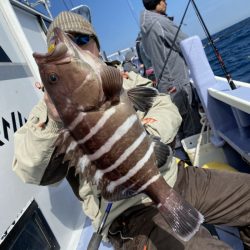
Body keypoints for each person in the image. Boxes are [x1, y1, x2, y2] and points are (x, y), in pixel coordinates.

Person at [12, 11, 250, 250]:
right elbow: (30, 170)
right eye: (62, 44)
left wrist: (146, 138)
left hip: (175, 176)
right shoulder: (48, 112)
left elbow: (164, 104)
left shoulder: (125, 79)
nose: (73, 46)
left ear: (97, 44)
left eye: (81, 39)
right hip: (130, 213)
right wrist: (55, 120)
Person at [140, 0, 202, 142]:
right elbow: (186, 43)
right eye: (163, 0)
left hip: (164, 84)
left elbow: (149, 55)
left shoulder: (144, 28)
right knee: (191, 123)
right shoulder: (161, 22)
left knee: (178, 124)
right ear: (157, 3)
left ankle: (186, 156)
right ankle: (196, 156)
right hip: (176, 82)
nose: (166, 2)